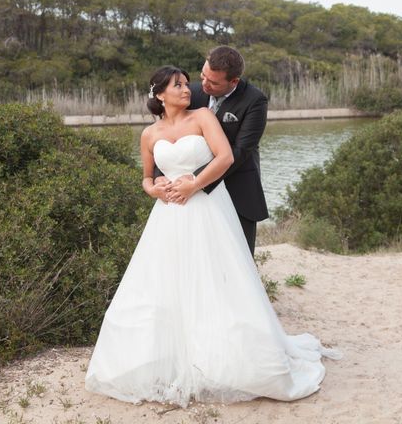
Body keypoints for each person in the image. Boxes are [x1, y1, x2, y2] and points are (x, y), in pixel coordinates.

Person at [85, 65, 340, 407]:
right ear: (159, 94)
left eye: (186, 83)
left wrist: (195, 183)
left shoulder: (204, 116)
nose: (187, 88)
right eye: (177, 85)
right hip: (169, 215)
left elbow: (226, 156)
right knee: (164, 282)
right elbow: (147, 178)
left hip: (205, 205)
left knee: (217, 279)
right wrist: (156, 189)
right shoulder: (149, 134)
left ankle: (226, 358)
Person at [154, 46, 268, 255]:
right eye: (203, 75)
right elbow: (166, 135)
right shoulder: (192, 92)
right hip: (189, 196)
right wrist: (160, 176)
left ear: (233, 81)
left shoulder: (255, 100)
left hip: (237, 190)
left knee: (237, 259)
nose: (204, 84)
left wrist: (196, 180)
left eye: (213, 82)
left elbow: (240, 151)